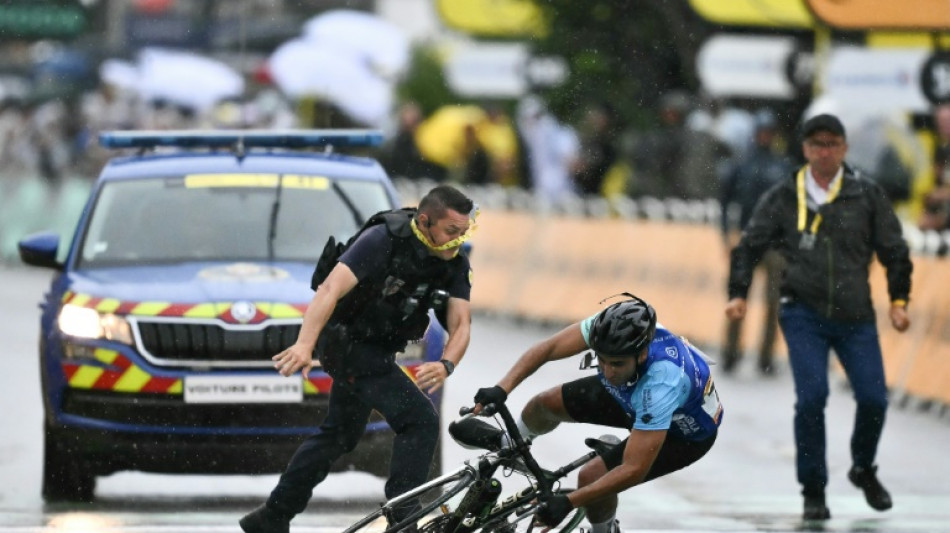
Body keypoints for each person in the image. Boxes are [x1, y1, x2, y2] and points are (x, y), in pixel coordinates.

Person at [240, 185, 477, 533]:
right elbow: (329, 290)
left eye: (464, 232)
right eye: (450, 232)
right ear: (425, 222)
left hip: (378, 350)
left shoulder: (453, 262)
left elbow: (461, 323)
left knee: (339, 435)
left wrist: (446, 364)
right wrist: (305, 345)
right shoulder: (384, 239)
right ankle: (403, 516)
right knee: (420, 420)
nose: (457, 241)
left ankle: (272, 516)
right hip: (348, 345)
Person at [725, 114, 912, 521]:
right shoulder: (783, 195)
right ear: (805, 149)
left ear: (844, 148)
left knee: (874, 399)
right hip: (802, 312)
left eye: (832, 144)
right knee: (812, 399)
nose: (824, 152)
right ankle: (813, 489)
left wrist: (900, 299)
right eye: (816, 144)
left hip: (856, 315)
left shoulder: (866, 194)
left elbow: (894, 248)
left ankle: (863, 467)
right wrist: (738, 293)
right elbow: (750, 244)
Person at [473, 294, 722, 532]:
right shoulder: (608, 330)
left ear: (642, 353)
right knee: (545, 403)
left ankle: (604, 530)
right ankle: (509, 449)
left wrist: (570, 502)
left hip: (683, 433)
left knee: (592, 476)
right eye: (601, 360)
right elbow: (549, 348)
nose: (607, 370)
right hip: (632, 392)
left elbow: (634, 469)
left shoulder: (663, 383)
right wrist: (501, 388)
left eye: (616, 363)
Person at [718, 109, 792, 375]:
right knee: (737, 299)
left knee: (774, 303)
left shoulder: (783, 166)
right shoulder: (741, 165)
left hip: (774, 244)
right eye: (761, 132)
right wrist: (727, 235)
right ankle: (731, 352)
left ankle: (766, 357)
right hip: (748, 240)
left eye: (768, 133)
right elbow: (725, 203)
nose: (764, 137)